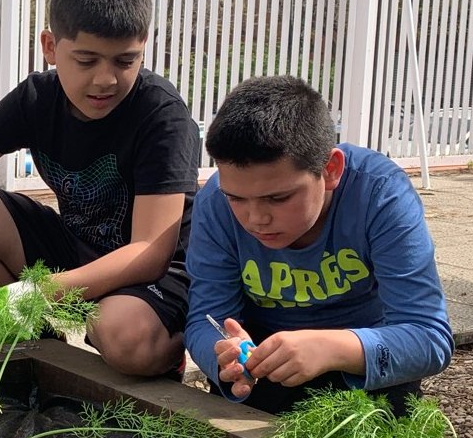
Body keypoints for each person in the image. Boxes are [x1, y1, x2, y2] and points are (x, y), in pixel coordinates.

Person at [0, 0, 198, 377]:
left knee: (122, 337)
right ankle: (35, 336)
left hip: (154, 274)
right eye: (86, 61)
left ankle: (167, 342)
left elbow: (148, 253)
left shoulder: (161, 115)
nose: (105, 79)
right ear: (50, 47)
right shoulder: (37, 100)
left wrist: (38, 290)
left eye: (125, 61)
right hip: (79, 248)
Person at [185, 75, 453, 416]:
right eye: (237, 198)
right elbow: (203, 320)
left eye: (277, 198)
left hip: (366, 357)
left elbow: (428, 337)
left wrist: (332, 348)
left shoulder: (380, 195)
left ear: (331, 170)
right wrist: (223, 355)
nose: (256, 219)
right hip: (265, 362)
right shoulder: (214, 204)